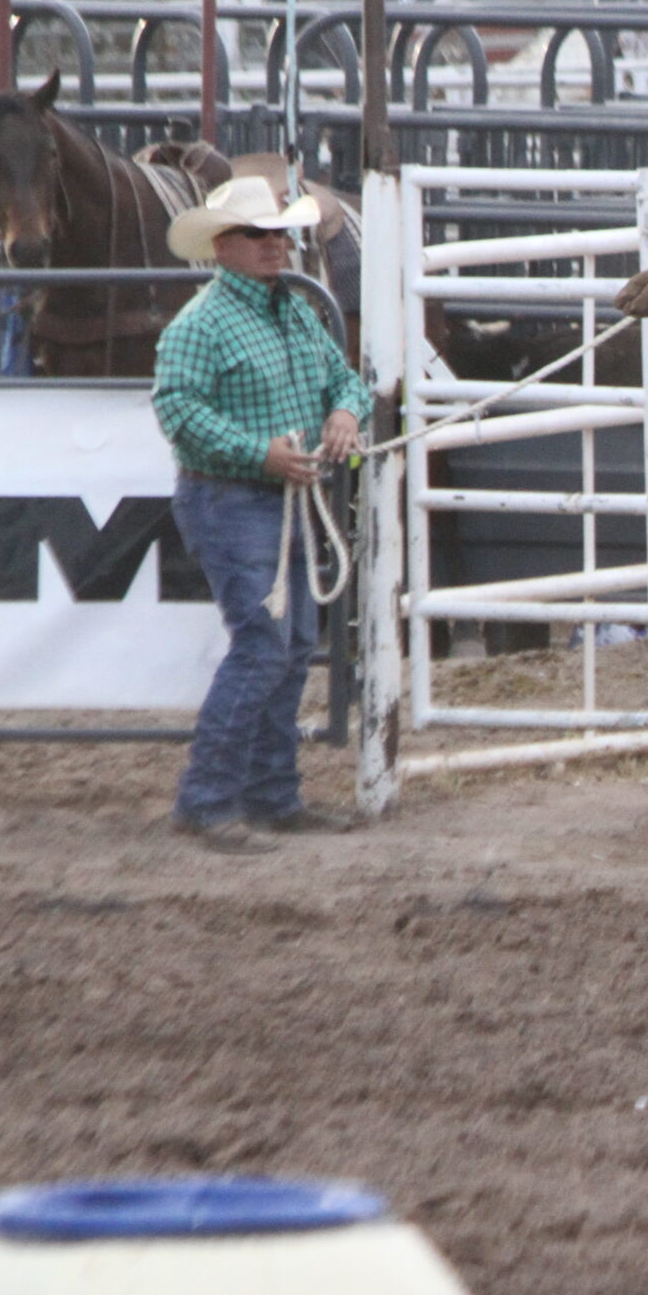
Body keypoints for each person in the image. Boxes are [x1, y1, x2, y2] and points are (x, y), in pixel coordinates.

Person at [153, 178, 372, 855]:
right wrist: (262, 453)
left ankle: (268, 795)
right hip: (231, 498)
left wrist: (343, 412)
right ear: (224, 246)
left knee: (290, 645)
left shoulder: (296, 312)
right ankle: (210, 798)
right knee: (266, 645)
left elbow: (346, 380)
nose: (276, 244)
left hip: (280, 500)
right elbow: (178, 413)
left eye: (280, 233)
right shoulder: (200, 323)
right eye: (260, 234)